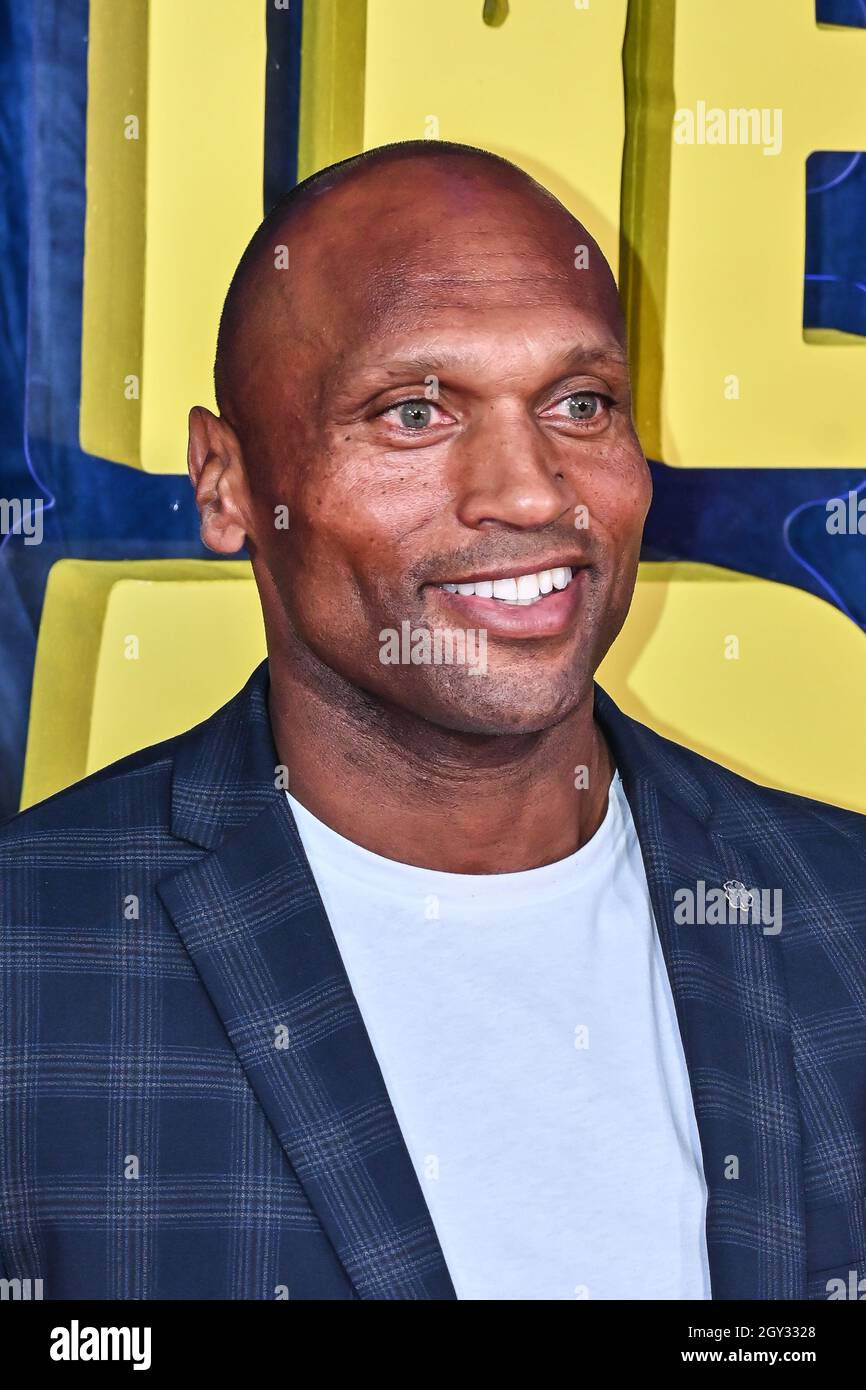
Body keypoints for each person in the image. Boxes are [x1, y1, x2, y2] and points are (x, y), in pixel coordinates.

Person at [2, 142, 864, 1301]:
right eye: (413, 411)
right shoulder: (31, 959)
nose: (526, 490)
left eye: (578, 402)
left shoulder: (836, 912)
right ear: (224, 483)